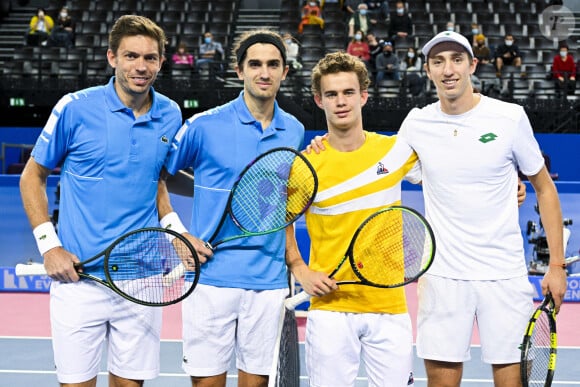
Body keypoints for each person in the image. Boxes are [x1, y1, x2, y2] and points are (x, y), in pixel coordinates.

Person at [19, 15, 203, 387]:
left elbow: (158, 181)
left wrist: (177, 232)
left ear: (161, 62)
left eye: (150, 58)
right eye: (131, 56)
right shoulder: (74, 107)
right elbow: (31, 177)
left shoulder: (170, 114)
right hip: (79, 278)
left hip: (142, 278)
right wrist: (49, 246)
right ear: (112, 58)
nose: (141, 66)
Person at [399, 30, 567, 387]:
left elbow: (545, 189)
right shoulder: (416, 124)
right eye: (438, 61)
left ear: (473, 65)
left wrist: (556, 266)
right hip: (442, 276)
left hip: (503, 275)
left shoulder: (509, 117)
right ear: (427, 69)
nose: (448, 70)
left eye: (457, 60)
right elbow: (379, 168)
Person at [157, 29, 307, 387]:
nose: (264, 72)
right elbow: (156, 177)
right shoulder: (203, 126)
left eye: (273, 64)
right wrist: (178, 233)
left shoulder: (295, 130)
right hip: (210, 280)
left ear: (285, 71)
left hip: (268, 283)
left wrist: (294, 259)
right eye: (255, 64)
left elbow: (283, 201)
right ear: (239, 71)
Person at [295, 50, 417, 387]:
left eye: (348, 92)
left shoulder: (396, 152)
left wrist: (512, 188)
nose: (341, 102)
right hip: (330, 309)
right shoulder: (307, 164)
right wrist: (300, 270)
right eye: (331, 94)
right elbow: (282, 223)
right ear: (319, 100)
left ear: (363, 96)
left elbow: (449, 178)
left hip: (389, 306)